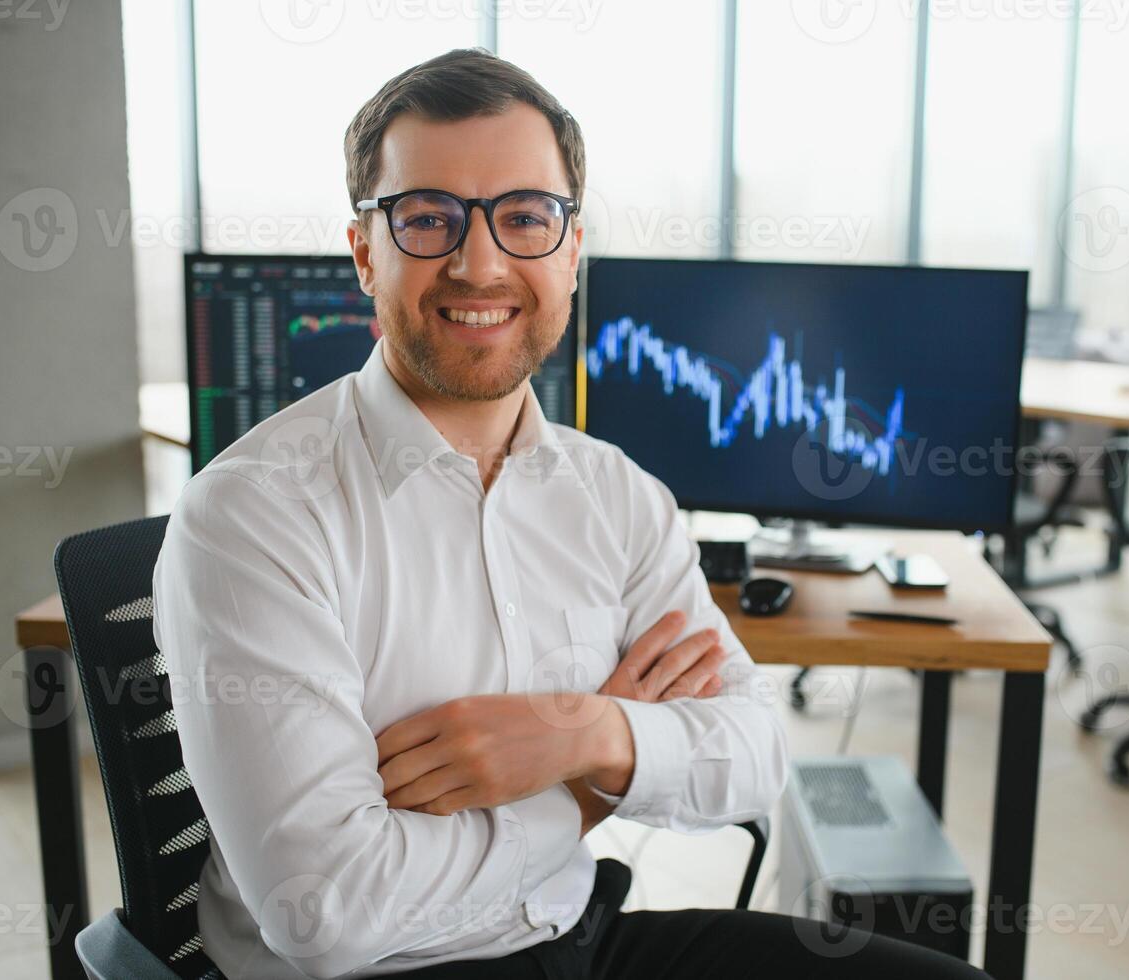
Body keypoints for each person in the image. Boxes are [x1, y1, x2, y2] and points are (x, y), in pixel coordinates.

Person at [153, 47, 987, 980]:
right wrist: (586, 798)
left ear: (571, 250)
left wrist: (586, 734)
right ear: (364, 252)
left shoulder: (616, 494)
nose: (480, 263)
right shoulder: (255, 515)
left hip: (571, 940)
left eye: (524, 218)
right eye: (427, 218)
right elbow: (330, 915)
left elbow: (755, 752)